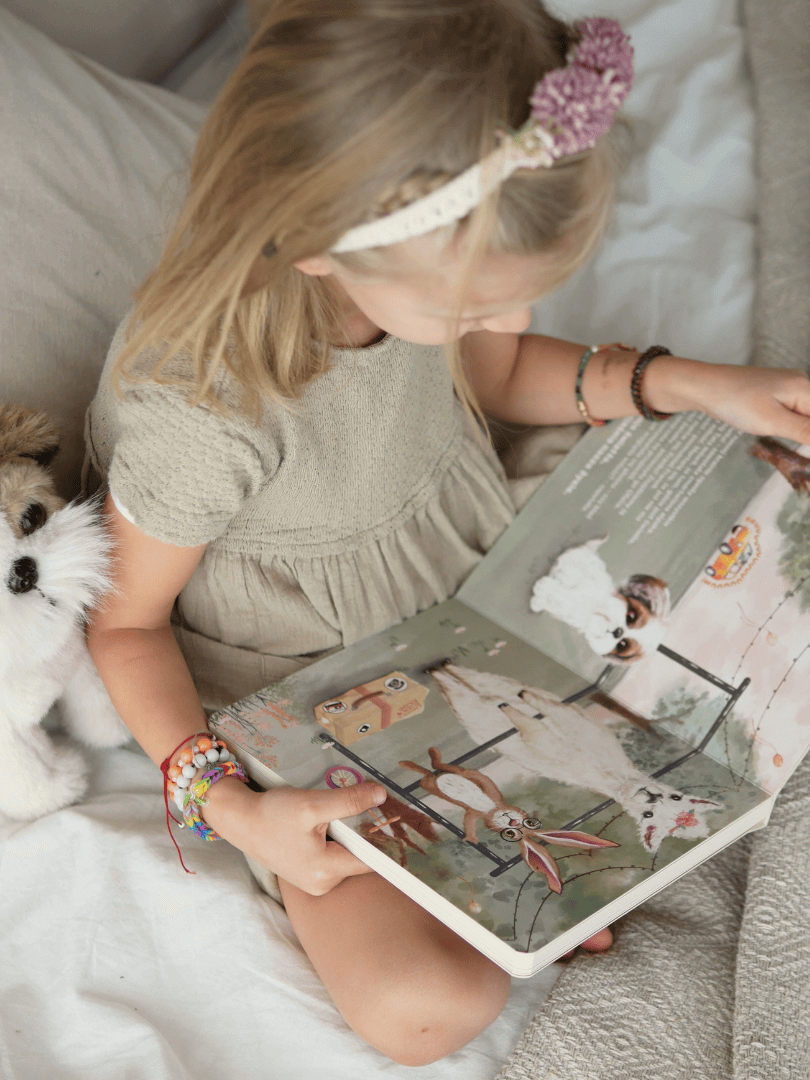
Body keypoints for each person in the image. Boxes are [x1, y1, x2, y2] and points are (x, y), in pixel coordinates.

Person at [84, 1, 810, 1066]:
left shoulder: (406, 269)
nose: (505, 323)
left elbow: (501, 378)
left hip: (476, 561)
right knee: (420, 1006)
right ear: (319, 242)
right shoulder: (200, 410)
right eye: (473, 309)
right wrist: (231, 810)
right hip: (312, 681)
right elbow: (125, 626)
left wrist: (696, 385)